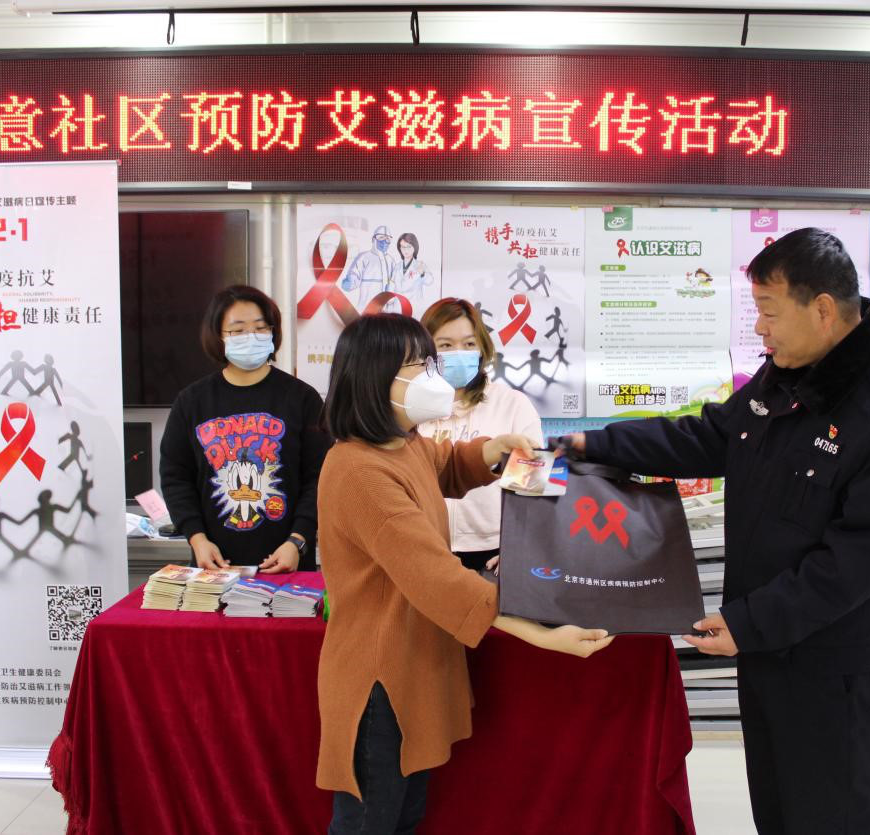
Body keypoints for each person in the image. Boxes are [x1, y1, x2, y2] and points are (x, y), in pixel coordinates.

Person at [564, 228, 870, 834]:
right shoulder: (788, 376)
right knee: (778, 810)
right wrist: (595, 443)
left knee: (833, 817)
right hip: (767, 651)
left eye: (769, 312)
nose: (760, 329)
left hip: (834, 671)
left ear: (823, 310)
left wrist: (750, 622)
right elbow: (709, 437)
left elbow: (859, 560)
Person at [315, 314, 612, 834]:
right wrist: (540, 633)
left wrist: (493, 450)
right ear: (375, 377)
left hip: (412, 662)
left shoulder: (403, 444)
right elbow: (435, 576)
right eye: (418, 365)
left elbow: (445, 463)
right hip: (378, 680)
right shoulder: (358, 471)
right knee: (369, 822)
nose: (434, 376)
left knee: (404, 817)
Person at [160, 285, 331, 573]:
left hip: (288, 565)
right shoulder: (192, 402)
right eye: (238, 330)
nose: (251, 337)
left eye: (260, 328)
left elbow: (321, 478)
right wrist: (197, 539)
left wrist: (297, 541)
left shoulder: (302, 398)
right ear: (218, 336)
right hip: (214, 567)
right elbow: (176, 477)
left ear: (273, 332)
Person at [416, 298, 543, 573]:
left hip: (494, 552)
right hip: (423, 549)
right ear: (426, 351)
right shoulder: (410, 409)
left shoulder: (512, 404)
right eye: (445, 345)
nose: (459, 353)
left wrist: (519, 548)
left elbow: (535, 488)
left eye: (469, 344)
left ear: (482, 348)